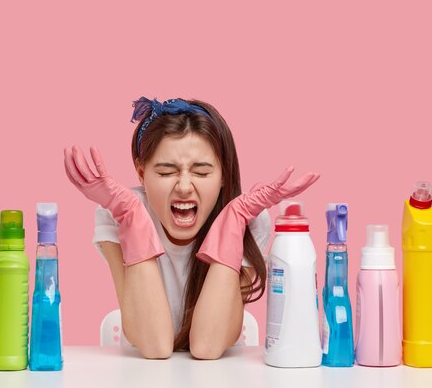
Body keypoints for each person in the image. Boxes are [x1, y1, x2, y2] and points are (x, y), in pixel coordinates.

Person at [64, 97, 319, 360]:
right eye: (165, 172)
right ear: (141, 173)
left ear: (223, 176)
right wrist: (131, 217)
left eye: (201, 172)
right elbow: (155, 346)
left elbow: (207, 346)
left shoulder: (249, 219)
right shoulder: (116, 213)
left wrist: (233, 219)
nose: (184, 187)